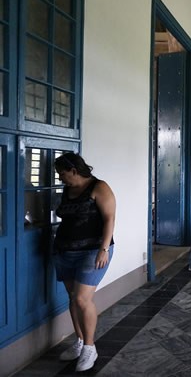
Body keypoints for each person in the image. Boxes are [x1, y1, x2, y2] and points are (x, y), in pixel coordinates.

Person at [52, 153, 116, 372]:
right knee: (73, 298)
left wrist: (104, 249)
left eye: (62, 173)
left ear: (73, 170)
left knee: (82, 299)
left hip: (93, 251)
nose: (61, 178)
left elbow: (109, 219)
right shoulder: (67, 190)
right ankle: (79, 341)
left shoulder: (99, 187)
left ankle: (90, 347)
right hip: (64, 250)